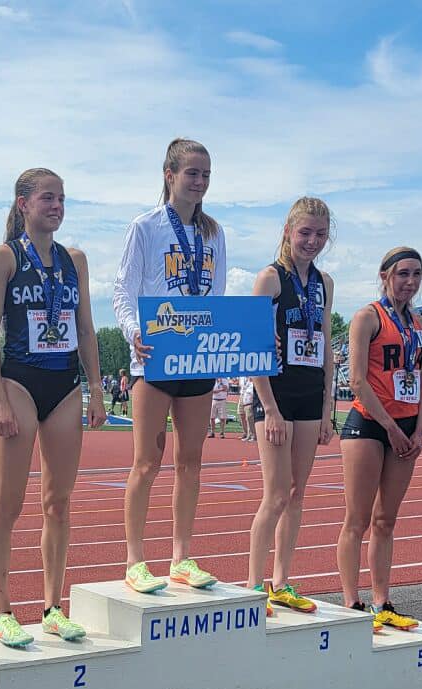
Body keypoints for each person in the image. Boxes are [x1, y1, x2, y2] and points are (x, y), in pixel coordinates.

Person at [0, 167, 106, 647]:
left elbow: (87, 327)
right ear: (22, 203)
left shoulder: (76, 260)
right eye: (47, 198)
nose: (56, 206)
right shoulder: (4, 257)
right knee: (8, 503)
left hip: (65, 385)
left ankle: (53, 605)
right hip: (19, 383)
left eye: (62, 199)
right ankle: (1, 610)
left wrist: (95, 387)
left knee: (58, 502)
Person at [113, 137, 227, 594]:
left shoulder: (214, 233)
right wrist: (131, 332)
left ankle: (180, 555)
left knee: (191, 462)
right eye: (191, 173)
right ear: (169, 175)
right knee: (146, 460)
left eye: (205, 175)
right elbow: (123, 289)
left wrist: (219, 344)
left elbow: (216, 296)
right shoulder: (144, 228)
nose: (198, 182)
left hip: (197, 355)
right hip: (156, 353)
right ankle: (135, 560)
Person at [247, 197, 336, 616]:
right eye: (305, 232)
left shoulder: (324, 283)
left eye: (320, 234)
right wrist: (270, 407)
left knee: (297, 494)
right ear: (288, 231)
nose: (312, 241)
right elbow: (255, 346)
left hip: (308, 395)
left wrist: (327, 405)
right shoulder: (270, 279)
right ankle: (252, 586)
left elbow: (326, 345)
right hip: (276, 397)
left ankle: (281, 581)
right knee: (276, 494)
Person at [337, 247, 422, 632]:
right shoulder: (366, 318)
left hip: (406, 429)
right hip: (370, 425)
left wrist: (419, 429)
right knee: (357, 519)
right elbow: (357, 379)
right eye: (402, 273)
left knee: (386, 520)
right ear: (385, 275)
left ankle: (382, 601)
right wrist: (392, 426)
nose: (409, 281)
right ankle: (350, 602)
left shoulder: (420, 325)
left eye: (417, 275)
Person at [238, 376, 255, 441]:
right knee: (241, 414)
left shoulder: (252, 378)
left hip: (249, 396)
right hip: (243, 394)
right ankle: (246, 433)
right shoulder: (242, 377)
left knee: (249, 417)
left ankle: (252, 435)